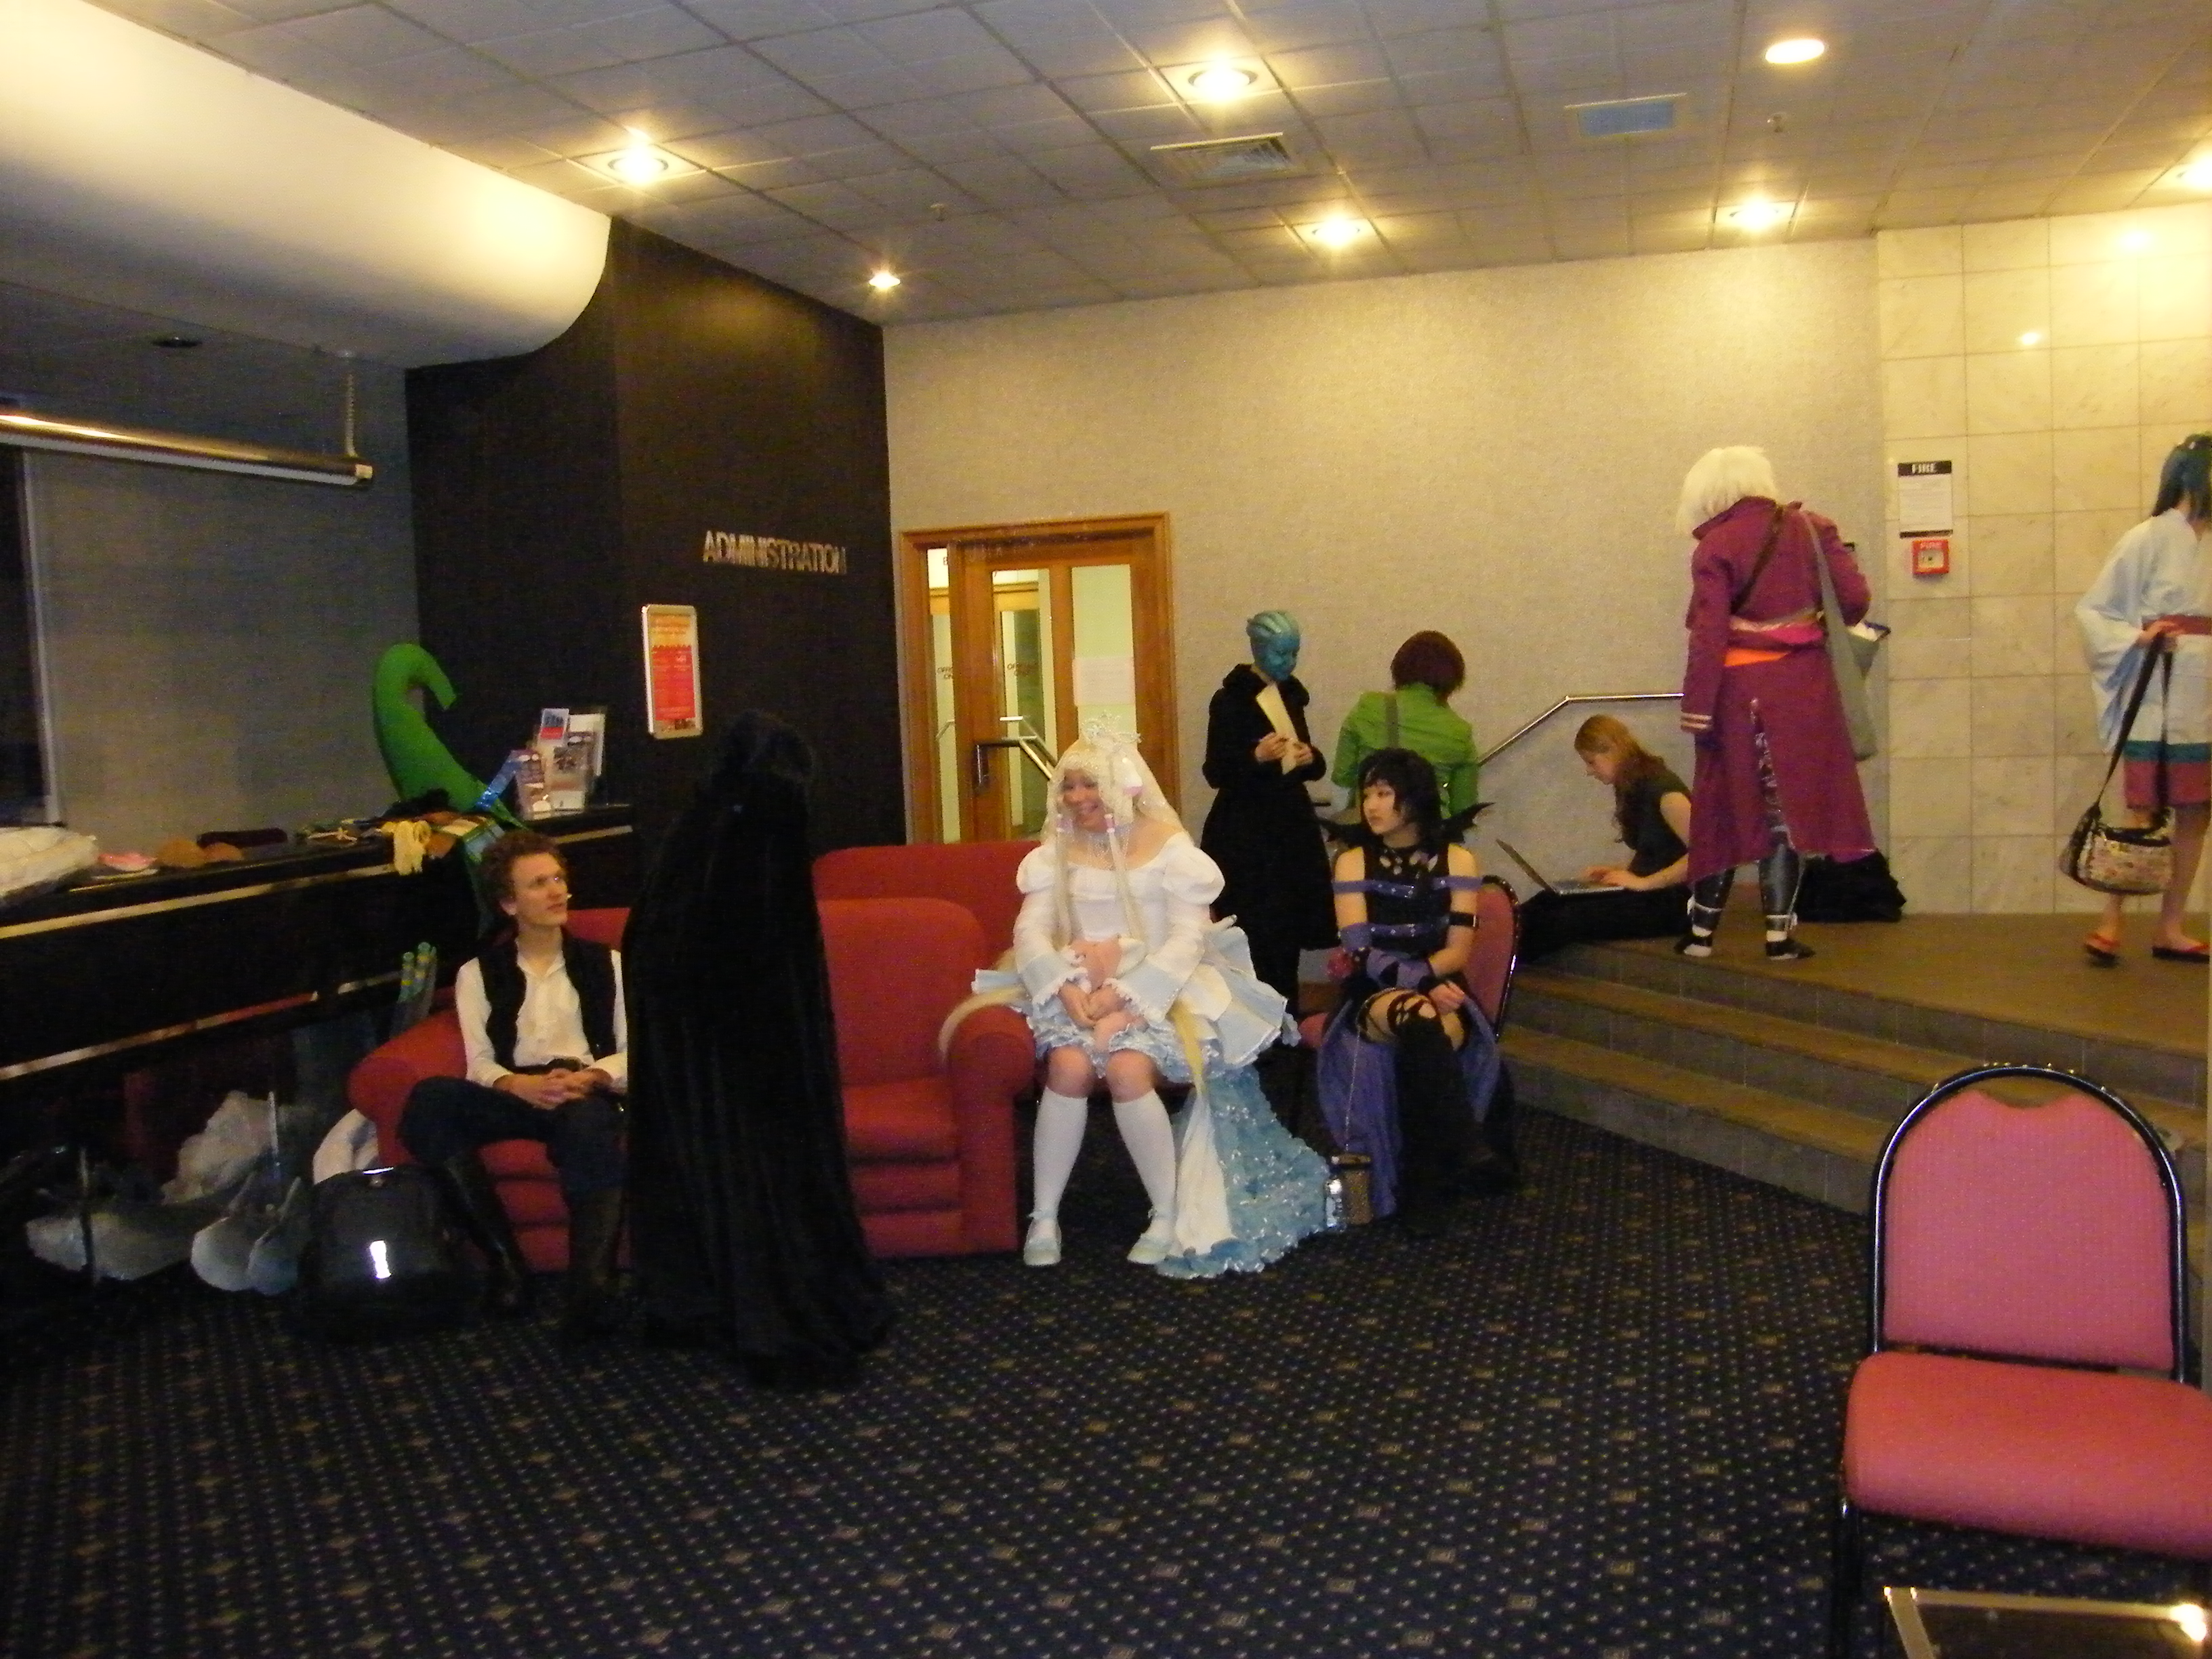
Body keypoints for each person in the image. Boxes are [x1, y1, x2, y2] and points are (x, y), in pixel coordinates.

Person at [975, 724, 1328, 1277]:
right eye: (1069, 787)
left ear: (1120, 787)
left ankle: (1164, 1213)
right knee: (1067, 1067)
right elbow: (1031, 930)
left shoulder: (1169, 846)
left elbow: (1188, 939)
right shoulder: (1055, 850)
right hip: (1077, 984)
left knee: (1127, 1069)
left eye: (1090, 785)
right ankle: (1045, 1215)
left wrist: (1127, 996)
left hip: (1160, 988)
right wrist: (1064, 987)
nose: (1077, 798)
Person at [623, 713, 890, 1390]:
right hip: (745, 1053)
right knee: (764, 1182)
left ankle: (692, 1300)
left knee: (700, 1172)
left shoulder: (694, 834)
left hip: (687, 1050)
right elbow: (769, 962)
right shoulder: (759, 835)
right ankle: (774, 1317)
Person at [399, 829, 626, 1339]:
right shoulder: (478, 974)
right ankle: (506, 1265)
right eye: (538, 884)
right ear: (508, 904)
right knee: (431, 1101)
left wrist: (591, 1076)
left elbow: (635, 1051)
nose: (556, 891)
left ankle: (592, 1286)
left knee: (587, 1123)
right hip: (517, 1092)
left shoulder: (606, 963)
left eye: (558, 879)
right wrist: (517, 1085)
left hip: (584, 1090)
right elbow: (480, 1062)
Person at [1675, 445, 1875, 961]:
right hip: (1805, 690)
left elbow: (1708, 634)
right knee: (1789, 810)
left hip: (1737, 693)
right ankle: (1779, 937)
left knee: (1722, 806)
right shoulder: (1813, 529)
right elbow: (1854, 601)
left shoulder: (1716, 545)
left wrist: (1697, 711)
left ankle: (1701, 935)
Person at [1315, 748, 1507, 1237]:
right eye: (1367, 794)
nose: (1371, 806)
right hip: (1374, 988)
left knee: (1427, 1033)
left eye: (1384, 794)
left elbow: (1458, 951)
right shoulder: (1352, 861)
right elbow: (1359, 951)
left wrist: (1430, 983)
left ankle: (1424, 1189)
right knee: (1419, 1015)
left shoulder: (1459, 859)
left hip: (1443, 981)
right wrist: (1422, 984)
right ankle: (1462, 1143)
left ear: (1414, 799)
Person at [2076, 432, 2212, 965]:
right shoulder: (2148, 537)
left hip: (2204, 694)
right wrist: (2140, 636)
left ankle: (2170, 927)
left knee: (2196, 811)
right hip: (2159, 687)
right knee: (2144, 810)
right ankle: (2111, 921)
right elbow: (2096, 610)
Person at [1198, 610, 1336, 1010]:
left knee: (1287, 930)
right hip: (1246, 835)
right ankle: (1253, 1018)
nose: (1288, 662)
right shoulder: (1229, 700)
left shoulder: (1292, 694)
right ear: (1258, 650)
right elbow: (1215, 770)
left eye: (1294, 653)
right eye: (1280, 653)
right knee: (1253, 930)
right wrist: (1255, 756)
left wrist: (1310, 757)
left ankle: (1287, 1017)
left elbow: (1307, 762)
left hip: (1290, 830)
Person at [1517, 716, 1694, 959]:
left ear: (1612, 750)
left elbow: (1704, 856)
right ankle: (1491, 950)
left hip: (1673, 904)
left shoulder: (1666, 792)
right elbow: (1661, 851)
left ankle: (1498, 964)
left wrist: (1644, 882)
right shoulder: (1635, 784)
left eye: (1591, 762)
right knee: (1549, 900)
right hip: (1651, 891)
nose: (1589, 771)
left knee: (1567, 918)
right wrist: (1618, 871)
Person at [1332, 631, 1480, 821]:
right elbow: (1465, 811)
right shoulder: (1460, 731)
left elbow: (1342, 777)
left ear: (1400, 668)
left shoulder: (1369, 706)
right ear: (1453, 678)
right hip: (1429, 830)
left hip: (1371, 825)